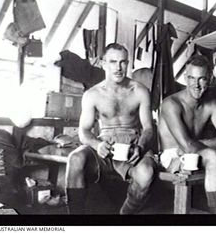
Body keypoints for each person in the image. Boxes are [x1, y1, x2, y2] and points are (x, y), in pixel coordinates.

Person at [65, 43, 157, 214]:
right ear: (103, 63)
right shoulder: (92, 94)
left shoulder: (140, 91)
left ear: (128, 63)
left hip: (132, 144)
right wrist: (96, 144)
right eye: (113, 62)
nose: (119, 67)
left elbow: (148, 128)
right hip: (105, 145)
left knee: (146, 173)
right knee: (75, 158)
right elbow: (84, 131)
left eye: (123, 62)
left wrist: (141, 146)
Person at [158, 54, 216, 214]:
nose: (196, 84)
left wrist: (204, 143)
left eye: (202, 79)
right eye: (191, 78)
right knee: (211, 156)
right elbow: (186, 146)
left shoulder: (211, 104)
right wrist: (207, 145)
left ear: (209, 79)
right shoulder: (171, 104)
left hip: (200, 149)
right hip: (173, 157)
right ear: (185, 78)